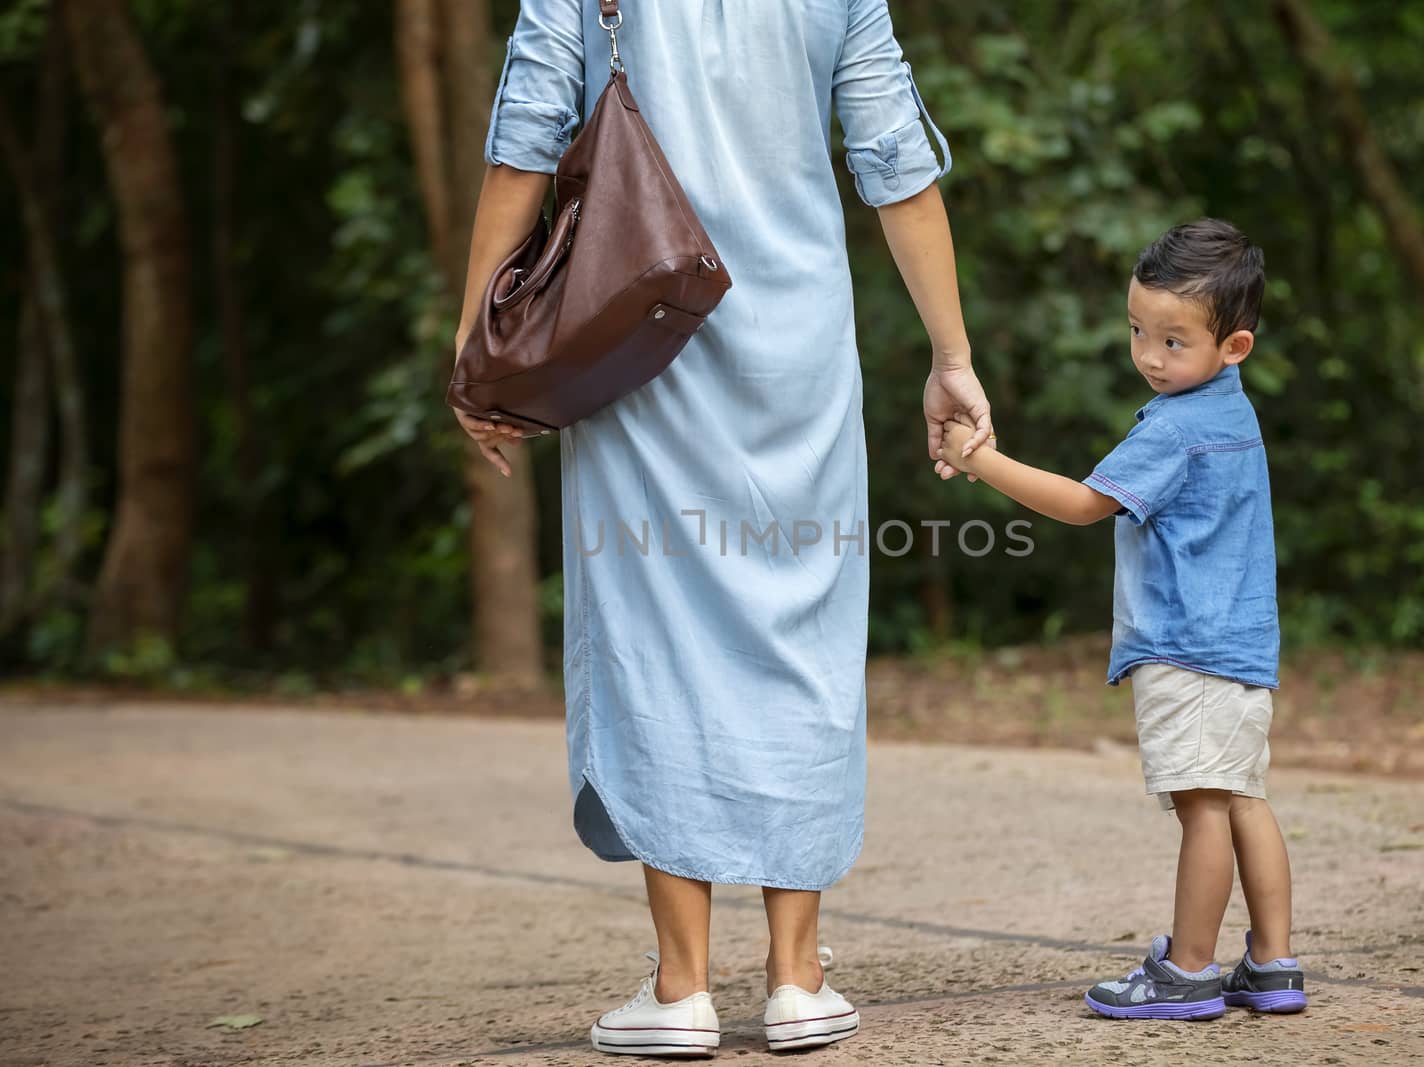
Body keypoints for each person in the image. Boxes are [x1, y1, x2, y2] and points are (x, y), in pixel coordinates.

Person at [450, 0, 995, 1056]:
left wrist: (479, 339)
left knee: (658, 641)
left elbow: (523, 146)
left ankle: (682, 984)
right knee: (804, 636)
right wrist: (951, 355)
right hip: (799, 356)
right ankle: (797, 979)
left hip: (641, 342)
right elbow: (895, 161)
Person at [938, 219, 1307, 1021]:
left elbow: (1083, 503)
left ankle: (1189, 969)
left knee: (1202, 805)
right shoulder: (1232, 414)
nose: (1149, 355)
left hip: (1188, 647)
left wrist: (979, 459)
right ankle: (1274, 963)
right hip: (1243, 645)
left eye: (1174, 341)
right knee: (1244, 795)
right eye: (1139, 329)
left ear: (1233, 346)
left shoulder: (1174, 429)